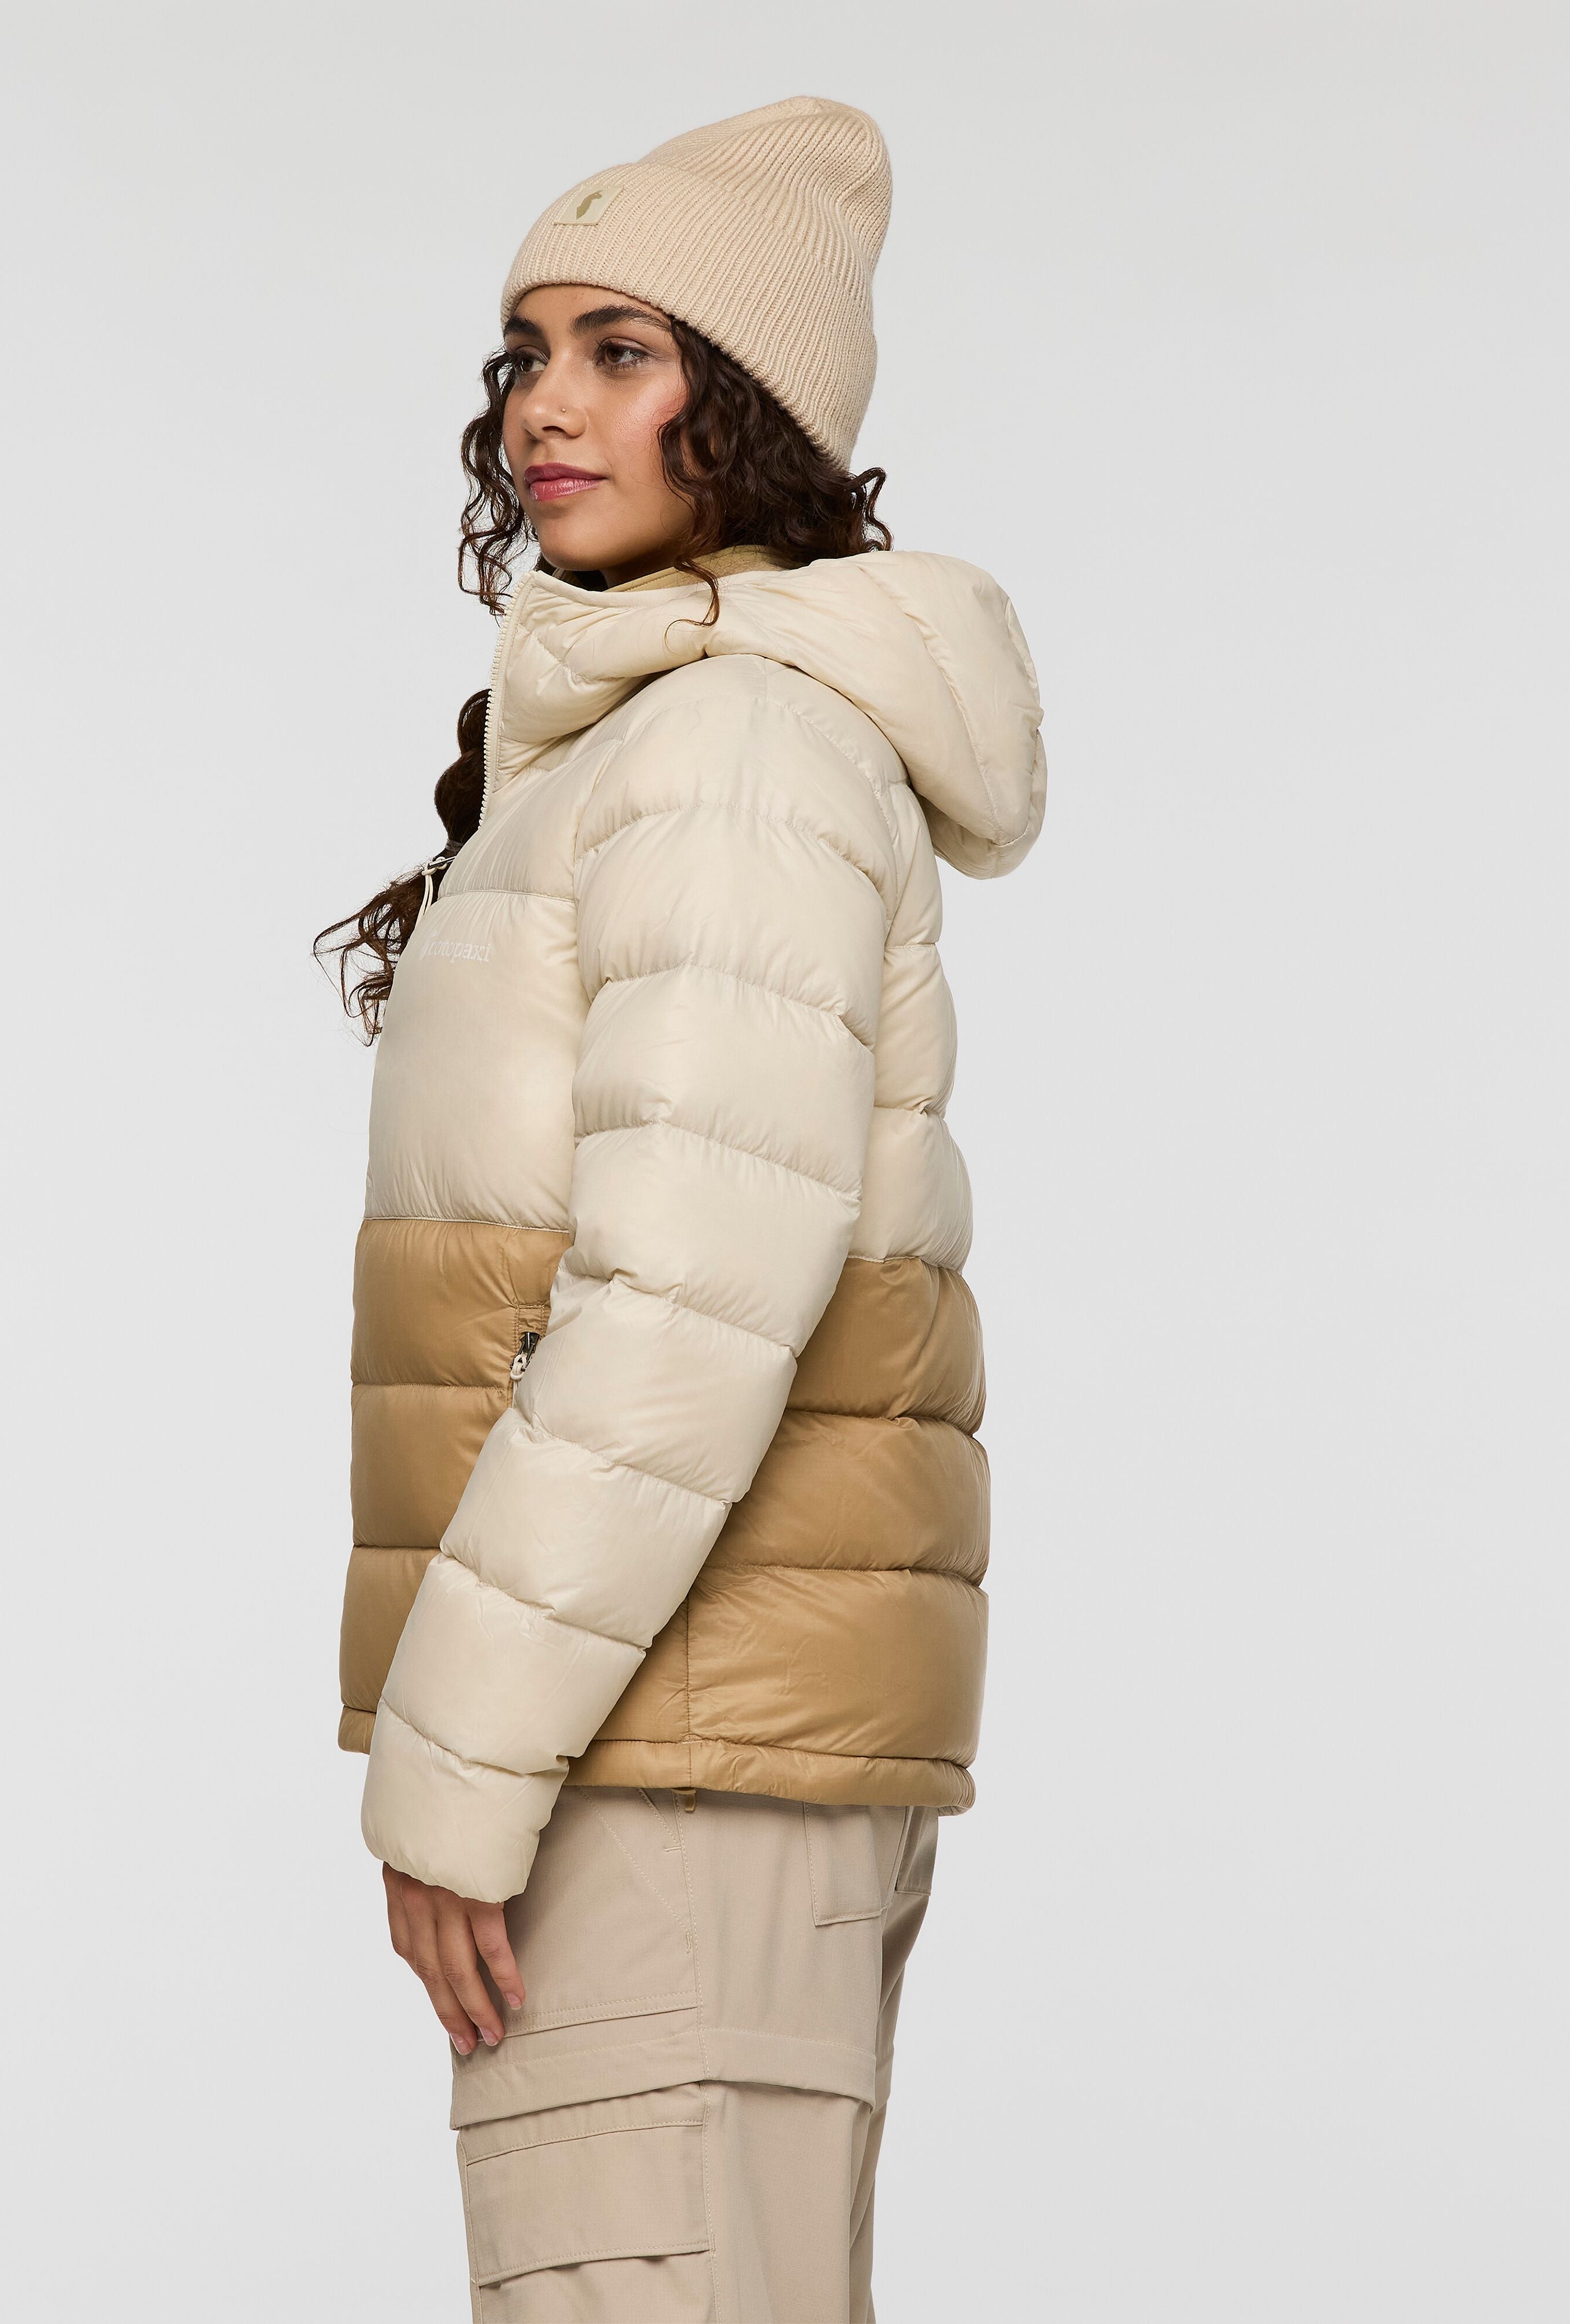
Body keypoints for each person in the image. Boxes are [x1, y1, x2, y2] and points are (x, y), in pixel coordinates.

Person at [318, 95, 1046, 2323]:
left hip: (668, 1737)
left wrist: (455, 1767)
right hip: (671, 1727)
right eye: (530, 351)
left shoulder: (730, 748)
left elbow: (687, 1300)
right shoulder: (654, 735)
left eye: (624, 351)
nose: (549, 405)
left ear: (753, 408)